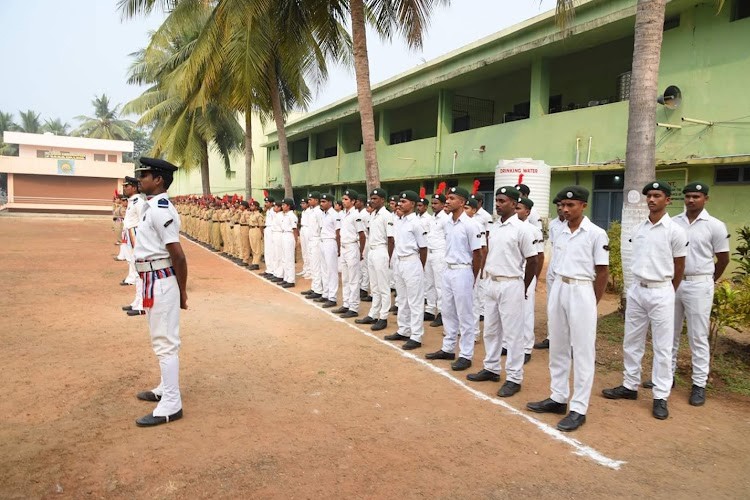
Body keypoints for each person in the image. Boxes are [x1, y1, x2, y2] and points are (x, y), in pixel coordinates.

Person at [602, 180, 687, 421]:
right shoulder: (639, 228)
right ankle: (629, 385)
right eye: (649, 195)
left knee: (662, 347)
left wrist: (669, 290)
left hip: (662, 290)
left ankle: (660, 395)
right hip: (637, 290)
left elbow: (680, 265)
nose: (651, 199)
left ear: (667, 200)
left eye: (657, 195)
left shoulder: (675, 231)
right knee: (632, 340)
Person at [526, 186, 609, 431]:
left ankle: (579, 407)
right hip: (559, 287)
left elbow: (602, 272)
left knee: (582, 351)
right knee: (559, 347)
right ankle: (558, 397)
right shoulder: (559, 231)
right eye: (562, 205)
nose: (565, 209)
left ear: (583, 206)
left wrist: (591, 303)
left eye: (570, 205)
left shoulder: (596, 233)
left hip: (582, 289)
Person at [132, 157, 188, 427]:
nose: (140, 178)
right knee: (161, 340)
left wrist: (183, 292)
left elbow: (178, 255)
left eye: (145, 174)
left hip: (162, 279)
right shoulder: (151, 206)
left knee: (165, 343)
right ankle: (165, 389)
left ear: (159, 180)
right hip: (152, 279)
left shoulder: (161, 208)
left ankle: (171, 404)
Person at [662, 182, 729, 406]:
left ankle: (699, 384)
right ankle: (667, 378)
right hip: (674, 284)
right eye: (688, 196)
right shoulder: (673, 223)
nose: (691, 200)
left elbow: (723, 259)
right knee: (668, 333)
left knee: (697, 336)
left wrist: (709, 280)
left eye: (696, 197)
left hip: (699, 284)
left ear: (705, 199)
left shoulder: (715, 225)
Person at [467, 186, 537, 396]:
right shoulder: (495, 227)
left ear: (515, 204)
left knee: (513, 334)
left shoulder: (522, 229)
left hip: (511, 283)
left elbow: (532, 261)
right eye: (496, 200)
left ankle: (514, 377)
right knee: (491, 329)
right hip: (492, 282)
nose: (497, 204)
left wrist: (523, 287)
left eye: (503, 201)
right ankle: (491, 368)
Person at [424, 186, 483, 369]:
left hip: (463, 270)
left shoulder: (471, 224)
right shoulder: (448, 222)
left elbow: (478, 253)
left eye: (452, 198)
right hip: (448, 269)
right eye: (447, 198)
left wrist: (472, 277)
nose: (447, 201)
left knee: (465, 314)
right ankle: (448, 349)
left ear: (462, 202)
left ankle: (466, 354)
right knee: (448, 311)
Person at [383, 191, 428, 350]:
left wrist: (419, 267)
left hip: (412, 261)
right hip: (399, 262)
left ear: (413, 204)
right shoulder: (399, 220)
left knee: (414, 300)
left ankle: (416, 336)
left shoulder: (416, 223)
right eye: (399, 201)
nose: (400, 204)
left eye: (404, 201)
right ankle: (403, 329)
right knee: (402, 298)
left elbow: (423, 248)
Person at [355, 188, 393, 331]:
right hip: (372, 251)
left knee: (383, 287)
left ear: (383, 200)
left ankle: (383, 317)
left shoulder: (387, 215)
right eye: (371, 198)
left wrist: (388, 257)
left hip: (382, 251)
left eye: (376, 198)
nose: (372, 201)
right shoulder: (372, 215)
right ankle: (373, 314)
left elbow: (391, 239)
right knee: (375, 286)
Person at [515, 197, 545, 363]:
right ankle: (508, 344)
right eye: (515, 207)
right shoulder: (508, 228)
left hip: (527, 274)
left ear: (527, 212)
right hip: (512, 275)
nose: (516, 211)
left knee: (526, 311)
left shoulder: (533, 230)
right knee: (511, 312)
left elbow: (539, 257)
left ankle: (526, 348)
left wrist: (534, 279)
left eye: (519, 208)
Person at [534, 197, 565, 350]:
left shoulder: (573, 225)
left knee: (567, 308)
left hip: (567, 272)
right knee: (551, 306)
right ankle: (551, 337)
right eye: (558, 205)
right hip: (554, 268)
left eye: (563, 205)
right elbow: (552, 246)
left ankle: (569, 342)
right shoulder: (553, 224)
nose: (561, 208)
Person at [333, 189, 366, 318]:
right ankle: (346, 304)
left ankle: (354, 307)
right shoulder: (342, 214)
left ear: (353, 201)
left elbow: (362, 235)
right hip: (344, 247)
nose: (343, 201)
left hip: (353, 246)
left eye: (346, 199)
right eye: (343, 199)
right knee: (345, 278)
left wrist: (361, 251)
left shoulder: (356, 215)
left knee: (353, 279)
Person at [424, 193, 448, 327]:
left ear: (443, 204)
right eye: (432, 203)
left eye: (436, 203)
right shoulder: (432, 218)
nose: (433, 205)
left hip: (440, 254)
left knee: (440, 285)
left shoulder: (446, 218)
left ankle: (441, 313)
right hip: (430, 252)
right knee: (429, 283)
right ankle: (430, 309)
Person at [316, 193, 341, 308]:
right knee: (324, 269)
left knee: (331, 270)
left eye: (324, 202)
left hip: (331, 242)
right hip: (322, 241)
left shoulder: (334, 215)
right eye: (321, 202)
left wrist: (338, 247)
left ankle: (332, 297)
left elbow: (338, 232)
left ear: (330, 203)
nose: (321, 203)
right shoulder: (323, 214)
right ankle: (325, 293)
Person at [302, 192, 325, 300]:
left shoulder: (319, 212)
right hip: (311, 239)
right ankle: (314, 288)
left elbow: (321, 227)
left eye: (311, 199)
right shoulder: (311, 211)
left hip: (317, 240)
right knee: (312, 265)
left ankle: (318, 290)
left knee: (316, 266)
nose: (309, 201)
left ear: (316, 200)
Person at [279, 198, 299, 288]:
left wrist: (296, 241)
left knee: (289, 258)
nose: (282, 206)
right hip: (284, 235)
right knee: (284, 258)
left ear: (289, 206)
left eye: (284, 205)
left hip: (289, 235)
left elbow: (295, 229)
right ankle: (286, 278)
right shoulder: (285, 215)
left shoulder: (292, 216)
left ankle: (291, 280)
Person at [260, 196, 276, 277]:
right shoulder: (268, 211)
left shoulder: (274, 211)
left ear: (272, 203)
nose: (265, 204)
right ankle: (269, 269)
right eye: (265, 202)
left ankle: (273, 270)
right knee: (267, 251)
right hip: (267, 229)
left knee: (272, 251)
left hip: (272, 230)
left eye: (267, 202)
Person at [247, 201, 264, 270]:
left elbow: (261, 226)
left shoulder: (259, 215)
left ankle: (256, 263)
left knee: (257, 247)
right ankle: (254, 262)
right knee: (253, 247)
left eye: (253, 206)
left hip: (256, 229)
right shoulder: (252, 214)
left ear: (256, 207)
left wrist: (261, 234)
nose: (251, 207)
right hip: (251, 229)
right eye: (251, 206)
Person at [298, 198, 311, 278]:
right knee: (304, 250)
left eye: (304, 203)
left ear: (307, 204)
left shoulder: (310, 211)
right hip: (303, 229)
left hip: (308, 229)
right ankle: (305, 268)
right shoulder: (303, 212)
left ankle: (310, 270)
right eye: (301, 203)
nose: (302, 205)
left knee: (309, 250)